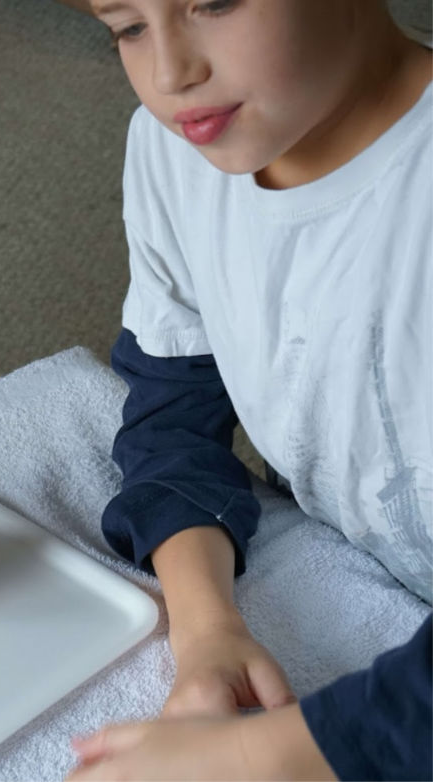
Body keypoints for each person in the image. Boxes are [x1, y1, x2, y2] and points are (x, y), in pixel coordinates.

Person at [68, 0, 432, 779]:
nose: (171, 76)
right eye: (127, 27)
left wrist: (260, 755)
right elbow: (173, 409)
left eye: (216, 3)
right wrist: (205, 631)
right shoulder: (172, 155)